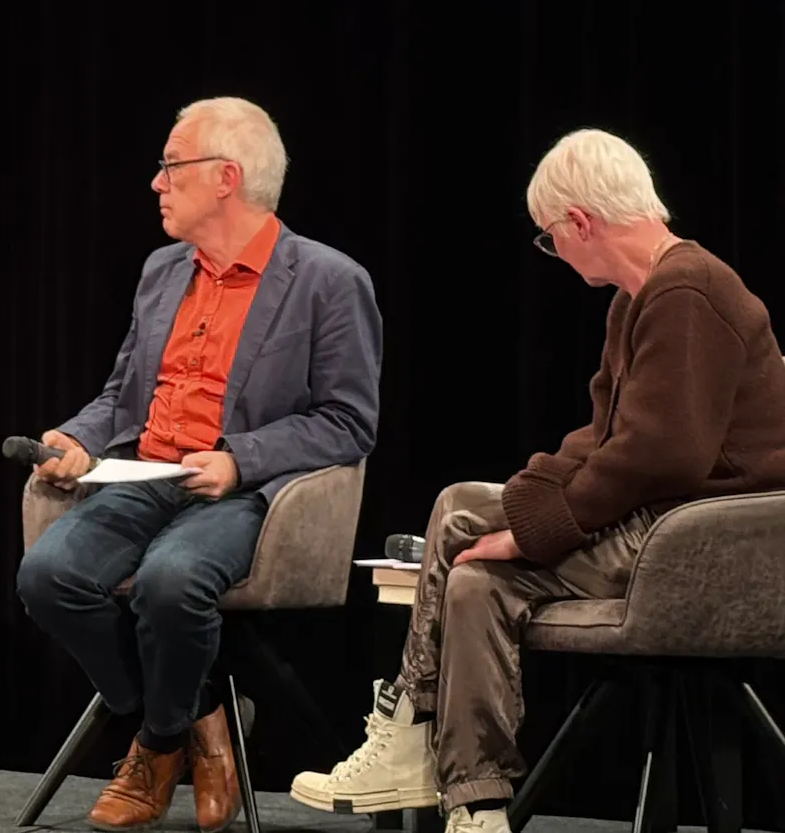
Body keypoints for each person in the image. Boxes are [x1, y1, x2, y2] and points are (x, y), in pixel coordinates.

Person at [289, 129, 785, 833]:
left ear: (579, 221)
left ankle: (418, 737)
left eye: (551, 237)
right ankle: (474, 801)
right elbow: (599, 437)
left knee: (475, 550)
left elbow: (660, 454)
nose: (555, 252)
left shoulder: (689, 291)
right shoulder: (638, 296)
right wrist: (531, 494)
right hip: (662, 520)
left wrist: (530, 532)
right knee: (466, 546)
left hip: (705, 545)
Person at [16, 97, 383, 832]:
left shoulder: (328, 280)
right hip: (145, 476)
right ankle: (199, 718)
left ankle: (152, 747)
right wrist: (81, 439)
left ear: (225, 177)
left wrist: (240, 460)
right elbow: (124, 394)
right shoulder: (162, 271)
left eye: (169, 166)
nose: (156, 182)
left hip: (241, 495)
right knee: (48, 576)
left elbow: (349, 422)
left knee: (170, 580)